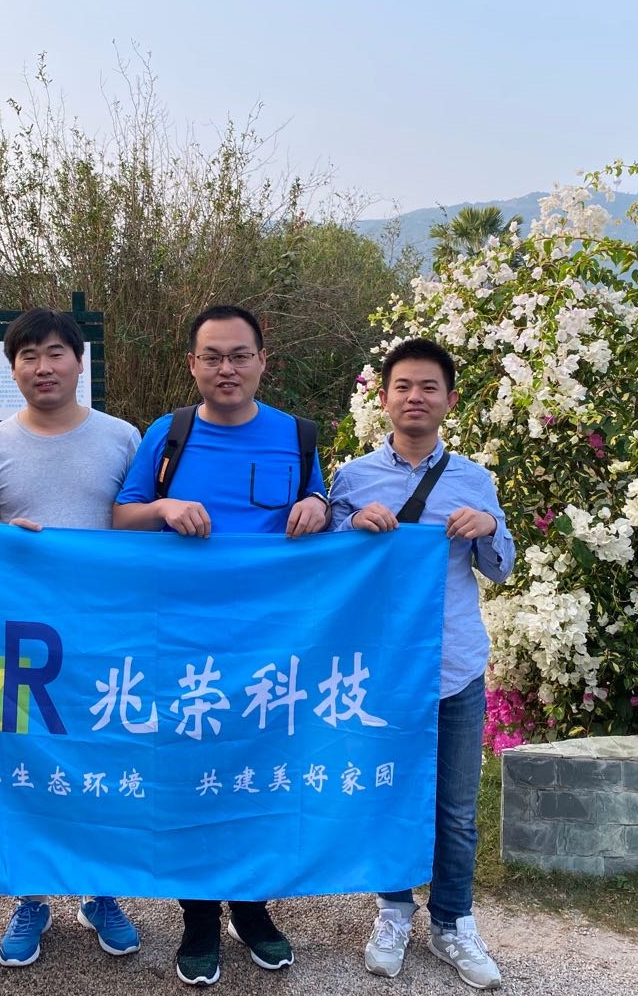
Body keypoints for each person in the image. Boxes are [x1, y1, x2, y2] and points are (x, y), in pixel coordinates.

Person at [113, 304, 329, 986]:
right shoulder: (168, 434)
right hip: (182, 642)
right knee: (191, 780)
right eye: (212, 357)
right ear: (192, 365)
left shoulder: (298, 436)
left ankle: (253, 910)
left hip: (270, 645)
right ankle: (199, 919)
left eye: (239, 356)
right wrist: (163, 508)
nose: (226, 369)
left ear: (263, 361)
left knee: (258, 773)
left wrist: (319, 507)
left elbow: (322, 518)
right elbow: (121, 519)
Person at [329, 337, 515, 991]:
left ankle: (453, 923)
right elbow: (325, 569)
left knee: (456, 811)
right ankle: (392, 913)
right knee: (387, 792)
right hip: (381, 672)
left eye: (429, 387)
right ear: (383, 398)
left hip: (454, 666)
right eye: (403, 386)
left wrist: (488, 528)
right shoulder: (352, 480)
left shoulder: (474, 480)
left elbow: (501, 567)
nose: (415, 397)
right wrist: (351, 526)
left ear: (449, 400)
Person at [0, 307, 143, 968]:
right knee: (21, 765)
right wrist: (1, 543)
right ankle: (30, 896)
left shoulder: (124, 438)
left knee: (102, 757)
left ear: (79, 361)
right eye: (29, 356)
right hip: (15, 642)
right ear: (13, 369)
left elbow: (142, 532)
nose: (44, 367)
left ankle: (101, 890)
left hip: (102, 635)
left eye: (56, 353)